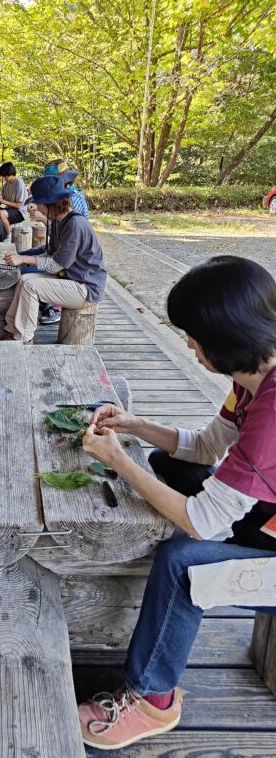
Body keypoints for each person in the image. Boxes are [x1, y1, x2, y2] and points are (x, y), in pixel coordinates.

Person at [78, 255, 276, 751]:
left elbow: (203, 522)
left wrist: (119, 461)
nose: (189, 346)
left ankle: (151, 700)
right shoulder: (253, 375)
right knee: (170, 466)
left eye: (193, 336)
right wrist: (133, 425)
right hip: (266, 518)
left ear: (227, 337)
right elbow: (206, 448)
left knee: (182, 564)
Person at [3, 174, 105, 344]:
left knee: (30, 285)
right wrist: (22, 256)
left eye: (39, 204)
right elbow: (50, 252)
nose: (37, 208)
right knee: (24, 280)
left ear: (51, 203)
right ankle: (11, 330)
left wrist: (24, 259)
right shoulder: (59, 220)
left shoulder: (74, 224)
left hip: (86, 288)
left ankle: (23, 339)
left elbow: (57, 264)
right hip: (71, 279)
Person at [28, 159, 90, 325]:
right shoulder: (59, 213)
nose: (38, 206)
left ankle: (52, 309)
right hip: (68, 267)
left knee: (27, 279)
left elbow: (60, 261)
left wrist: (42, 218)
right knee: (24, 276)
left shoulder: (71, 205)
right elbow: (53, 244)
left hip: (77, 275)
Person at [0, 161, 28, 239]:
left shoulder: (19, 184)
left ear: (11, 174)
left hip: (20, 212)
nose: (4, 179)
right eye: (3, 177)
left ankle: (8, 236)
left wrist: (3, 201)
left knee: (2, 214)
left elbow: (18, 205)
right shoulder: (6, 185)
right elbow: (1, 200)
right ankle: (0, 236)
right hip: (10, 210)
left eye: (5, 176)